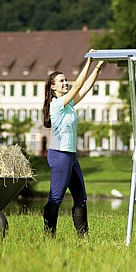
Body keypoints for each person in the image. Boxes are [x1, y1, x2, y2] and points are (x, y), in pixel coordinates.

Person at [41, 50, 105, 237]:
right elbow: (77, 86)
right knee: (56, 197)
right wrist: (88, 61)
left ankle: (83, 236)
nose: (65, 83)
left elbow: (85, 88)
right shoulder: (56, 104)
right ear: (53, 87)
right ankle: (49, 235)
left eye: (65, 80)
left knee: (80, 197)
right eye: (61, 81)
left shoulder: (68, 104)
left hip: (70, 156)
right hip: (60, 155)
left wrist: (98, 67)